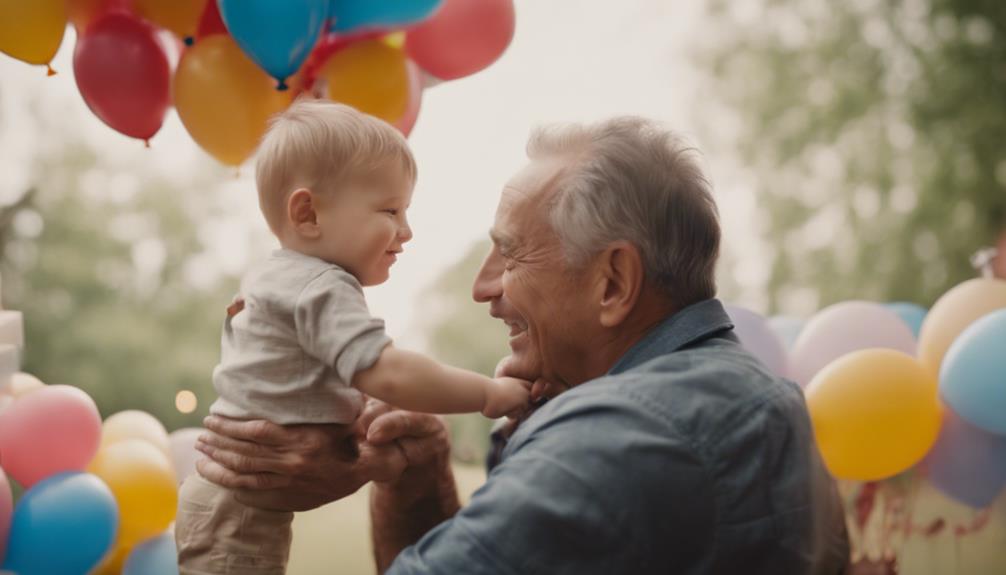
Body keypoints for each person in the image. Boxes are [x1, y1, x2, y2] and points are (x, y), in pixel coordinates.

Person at [195, 116, 851, 574]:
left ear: (613, 282)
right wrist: (418, 475)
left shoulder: (617, 444)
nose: (482, 289)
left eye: (508, 255)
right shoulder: (751, 393)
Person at [175, 100, 531, 575]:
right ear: (307, 214)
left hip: (227, 503)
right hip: (236, 514)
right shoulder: (321, 285)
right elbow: (389, 373)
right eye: (390, 210)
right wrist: (490, 393)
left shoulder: (276, 278)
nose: (406, 231)